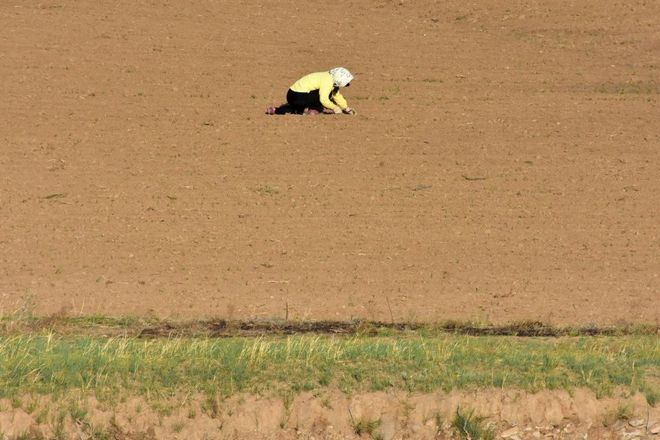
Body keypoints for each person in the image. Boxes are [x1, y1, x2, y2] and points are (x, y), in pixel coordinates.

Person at [266, 67, 357, 116]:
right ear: (340, 80)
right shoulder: (327, 81)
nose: (346, 85)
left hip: (291, 95)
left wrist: (346, 108)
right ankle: (313, 110)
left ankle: (276, 110)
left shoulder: (327, 77)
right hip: (299, 96)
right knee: (327, 95)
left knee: (297, 109)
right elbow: (324, 99)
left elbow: (336, 95)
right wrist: (335, 108)